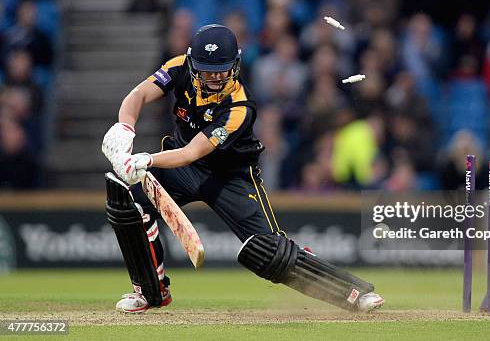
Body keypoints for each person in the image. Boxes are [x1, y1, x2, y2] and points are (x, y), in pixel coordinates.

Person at [101, 24, 384, 313]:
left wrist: (146, 160)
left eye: (222, 69)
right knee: (126, 202)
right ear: (193, 63)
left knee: (270, 254)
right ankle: (150, 292)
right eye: (207, 69)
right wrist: (125, 127)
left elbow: (191, 152)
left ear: (235, 64)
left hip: (230, 178)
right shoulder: (179, 66)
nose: (214, 77)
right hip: (180, 170)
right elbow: (137, 95)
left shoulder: (240, 107)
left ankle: (353, 293)